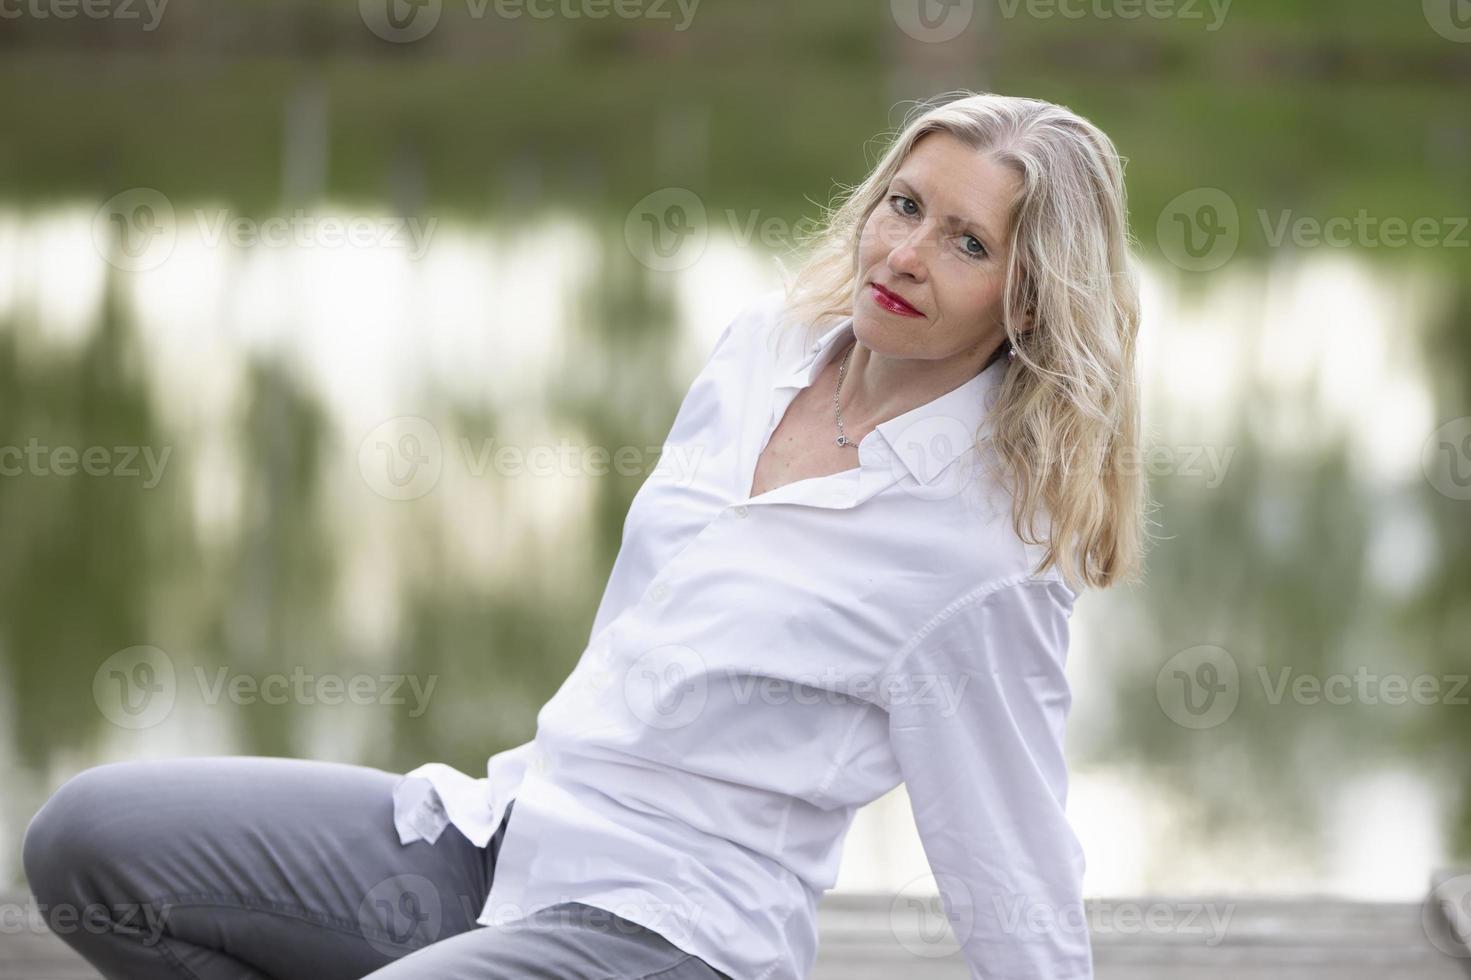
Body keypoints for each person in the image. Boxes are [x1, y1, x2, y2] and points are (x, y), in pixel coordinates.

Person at [22, 89, 1148, 980]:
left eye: (965, 243)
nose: (903, 253)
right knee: (92, 842)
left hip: (672, 929)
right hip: (509, 828)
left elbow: (1010, 853)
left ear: (1030, 298)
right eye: (904, 205)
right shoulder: (764, 350)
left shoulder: (979, 552)